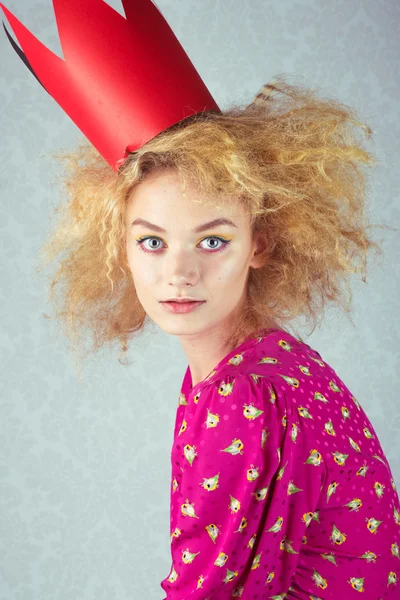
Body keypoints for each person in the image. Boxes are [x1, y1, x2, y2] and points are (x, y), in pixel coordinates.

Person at [1, 1, 398, 599]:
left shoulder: (246, 395)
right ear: (122, 249)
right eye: (152, 242)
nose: (179, 272)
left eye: (212, 240)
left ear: (260, 243)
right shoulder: (274, 358)